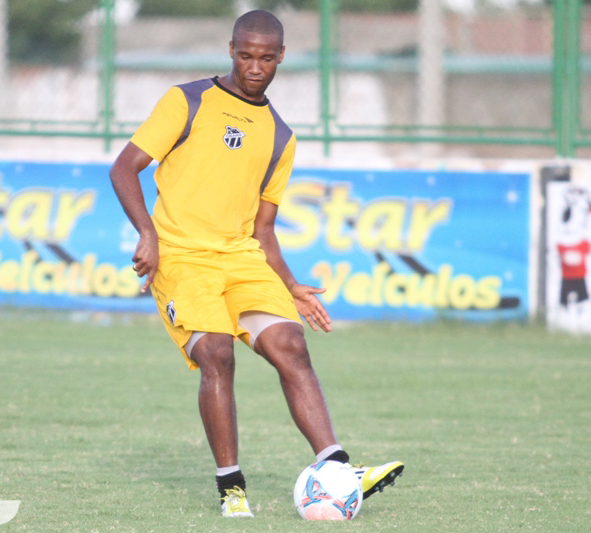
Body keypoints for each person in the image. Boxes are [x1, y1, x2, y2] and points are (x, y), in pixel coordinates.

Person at [110, 10, 403, 518]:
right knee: (217, 355)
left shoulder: (280, 135)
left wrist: (290, 284)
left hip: (242, 257)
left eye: (266, 58)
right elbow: (124, 168)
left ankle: (336, 467)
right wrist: (148, 234)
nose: (254, 66)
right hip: (183, 257)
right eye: (245, 55)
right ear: (231, 49)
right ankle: (232, 488)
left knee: (291, 344)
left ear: (281, 57)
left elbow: (264, 227)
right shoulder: (188, 100)